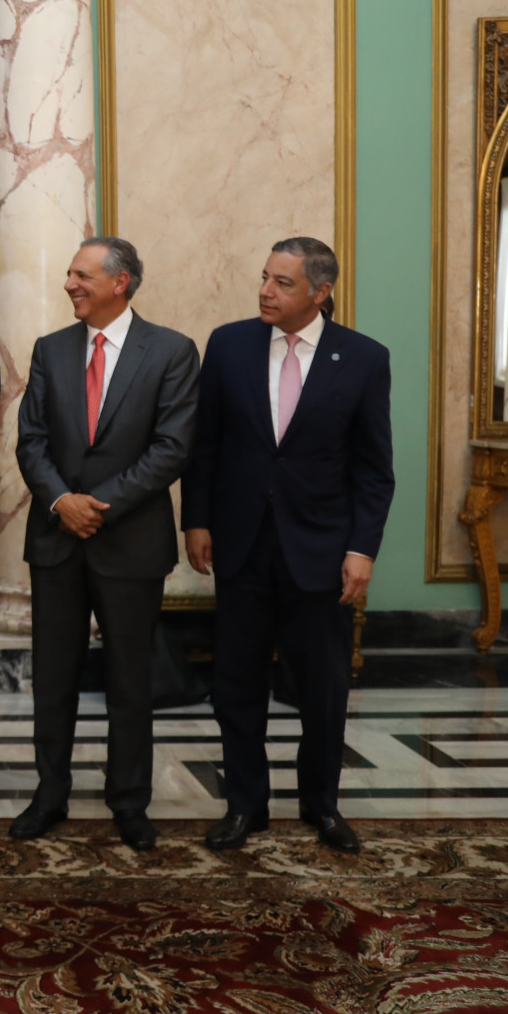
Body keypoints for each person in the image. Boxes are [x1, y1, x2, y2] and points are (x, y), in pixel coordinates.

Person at [183, 237, 394, 854]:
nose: (265, 291)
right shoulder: (228, 345)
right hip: (242, 545)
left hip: (322, 551)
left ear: (320, 292)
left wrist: (361, 549)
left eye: (282, 283)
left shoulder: (363, 358)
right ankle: (244, 805)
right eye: (264, 278)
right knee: (236, 685)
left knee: (323, 689)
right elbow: (205, 444)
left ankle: (321, 805)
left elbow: (373, 469)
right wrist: (196, 520)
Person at [12, 237, 199, 851]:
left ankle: (129, 801)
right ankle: (49, 795)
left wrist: (98, 505)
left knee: (130, 681)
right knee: (52, 679)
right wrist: (61, 502)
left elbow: (172, 447)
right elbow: (31, 440)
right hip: (57, 539)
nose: (69, 283)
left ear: (120, 282)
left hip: (130, 542)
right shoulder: (50, 349)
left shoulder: (171, 351)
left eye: (81, 274)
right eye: (69, 273)